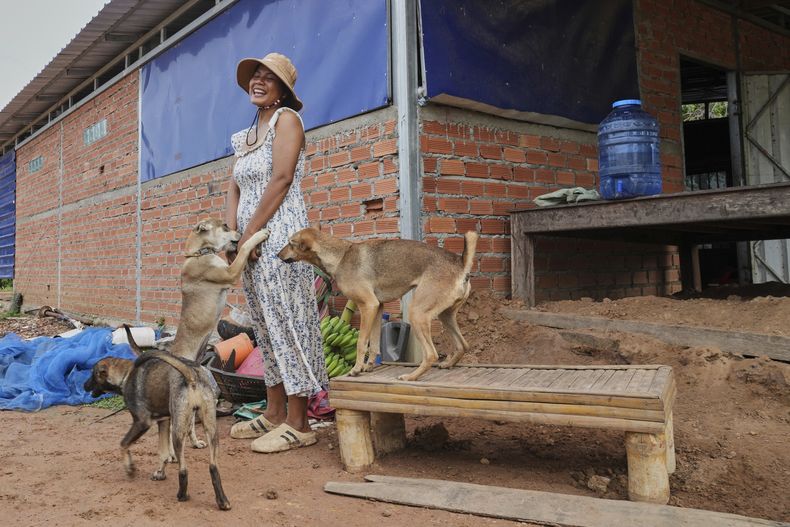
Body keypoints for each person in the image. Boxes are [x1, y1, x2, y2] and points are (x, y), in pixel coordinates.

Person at [225, 52, 327, 453]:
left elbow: (282, 179)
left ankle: (299, 423)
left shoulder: (288, 121)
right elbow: (233, 187)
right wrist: (232, 237)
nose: (259, 81)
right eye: (256, 75)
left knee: (290, 321)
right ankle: (273, 412)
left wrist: (251, 234)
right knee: (265, 326)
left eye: (269, 77)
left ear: (284, 89)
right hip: (251, 243)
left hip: (281, 238)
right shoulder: (246, 135)